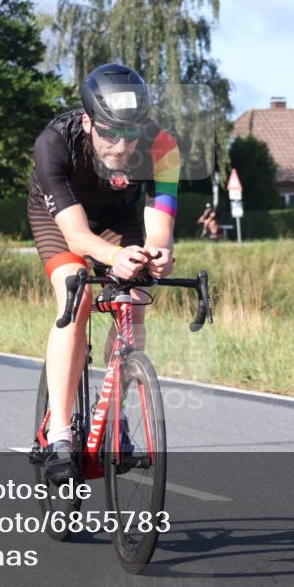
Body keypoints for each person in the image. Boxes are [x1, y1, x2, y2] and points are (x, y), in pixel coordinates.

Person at [27, 63, 179, 482]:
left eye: (131, 133)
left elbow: (160, 224)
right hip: (58, 216)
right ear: (88, 121)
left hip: (117, 218)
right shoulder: (53, 144)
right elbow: (76, 235)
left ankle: (113, 414)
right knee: (76, 295)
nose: (121, 144)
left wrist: (160, 252)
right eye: (109, 132)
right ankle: (59, 431)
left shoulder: (162, 147)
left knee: (134, 300)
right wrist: (112, 258)